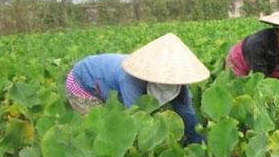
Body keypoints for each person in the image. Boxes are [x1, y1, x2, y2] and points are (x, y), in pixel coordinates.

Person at [65, 33, 209, 144]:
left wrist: (197, 142)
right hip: (83, 81)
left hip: (108, 79)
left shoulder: (179, 79)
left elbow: (186, 111)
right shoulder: (131, 78)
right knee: (104, 131)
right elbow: (135, 118)